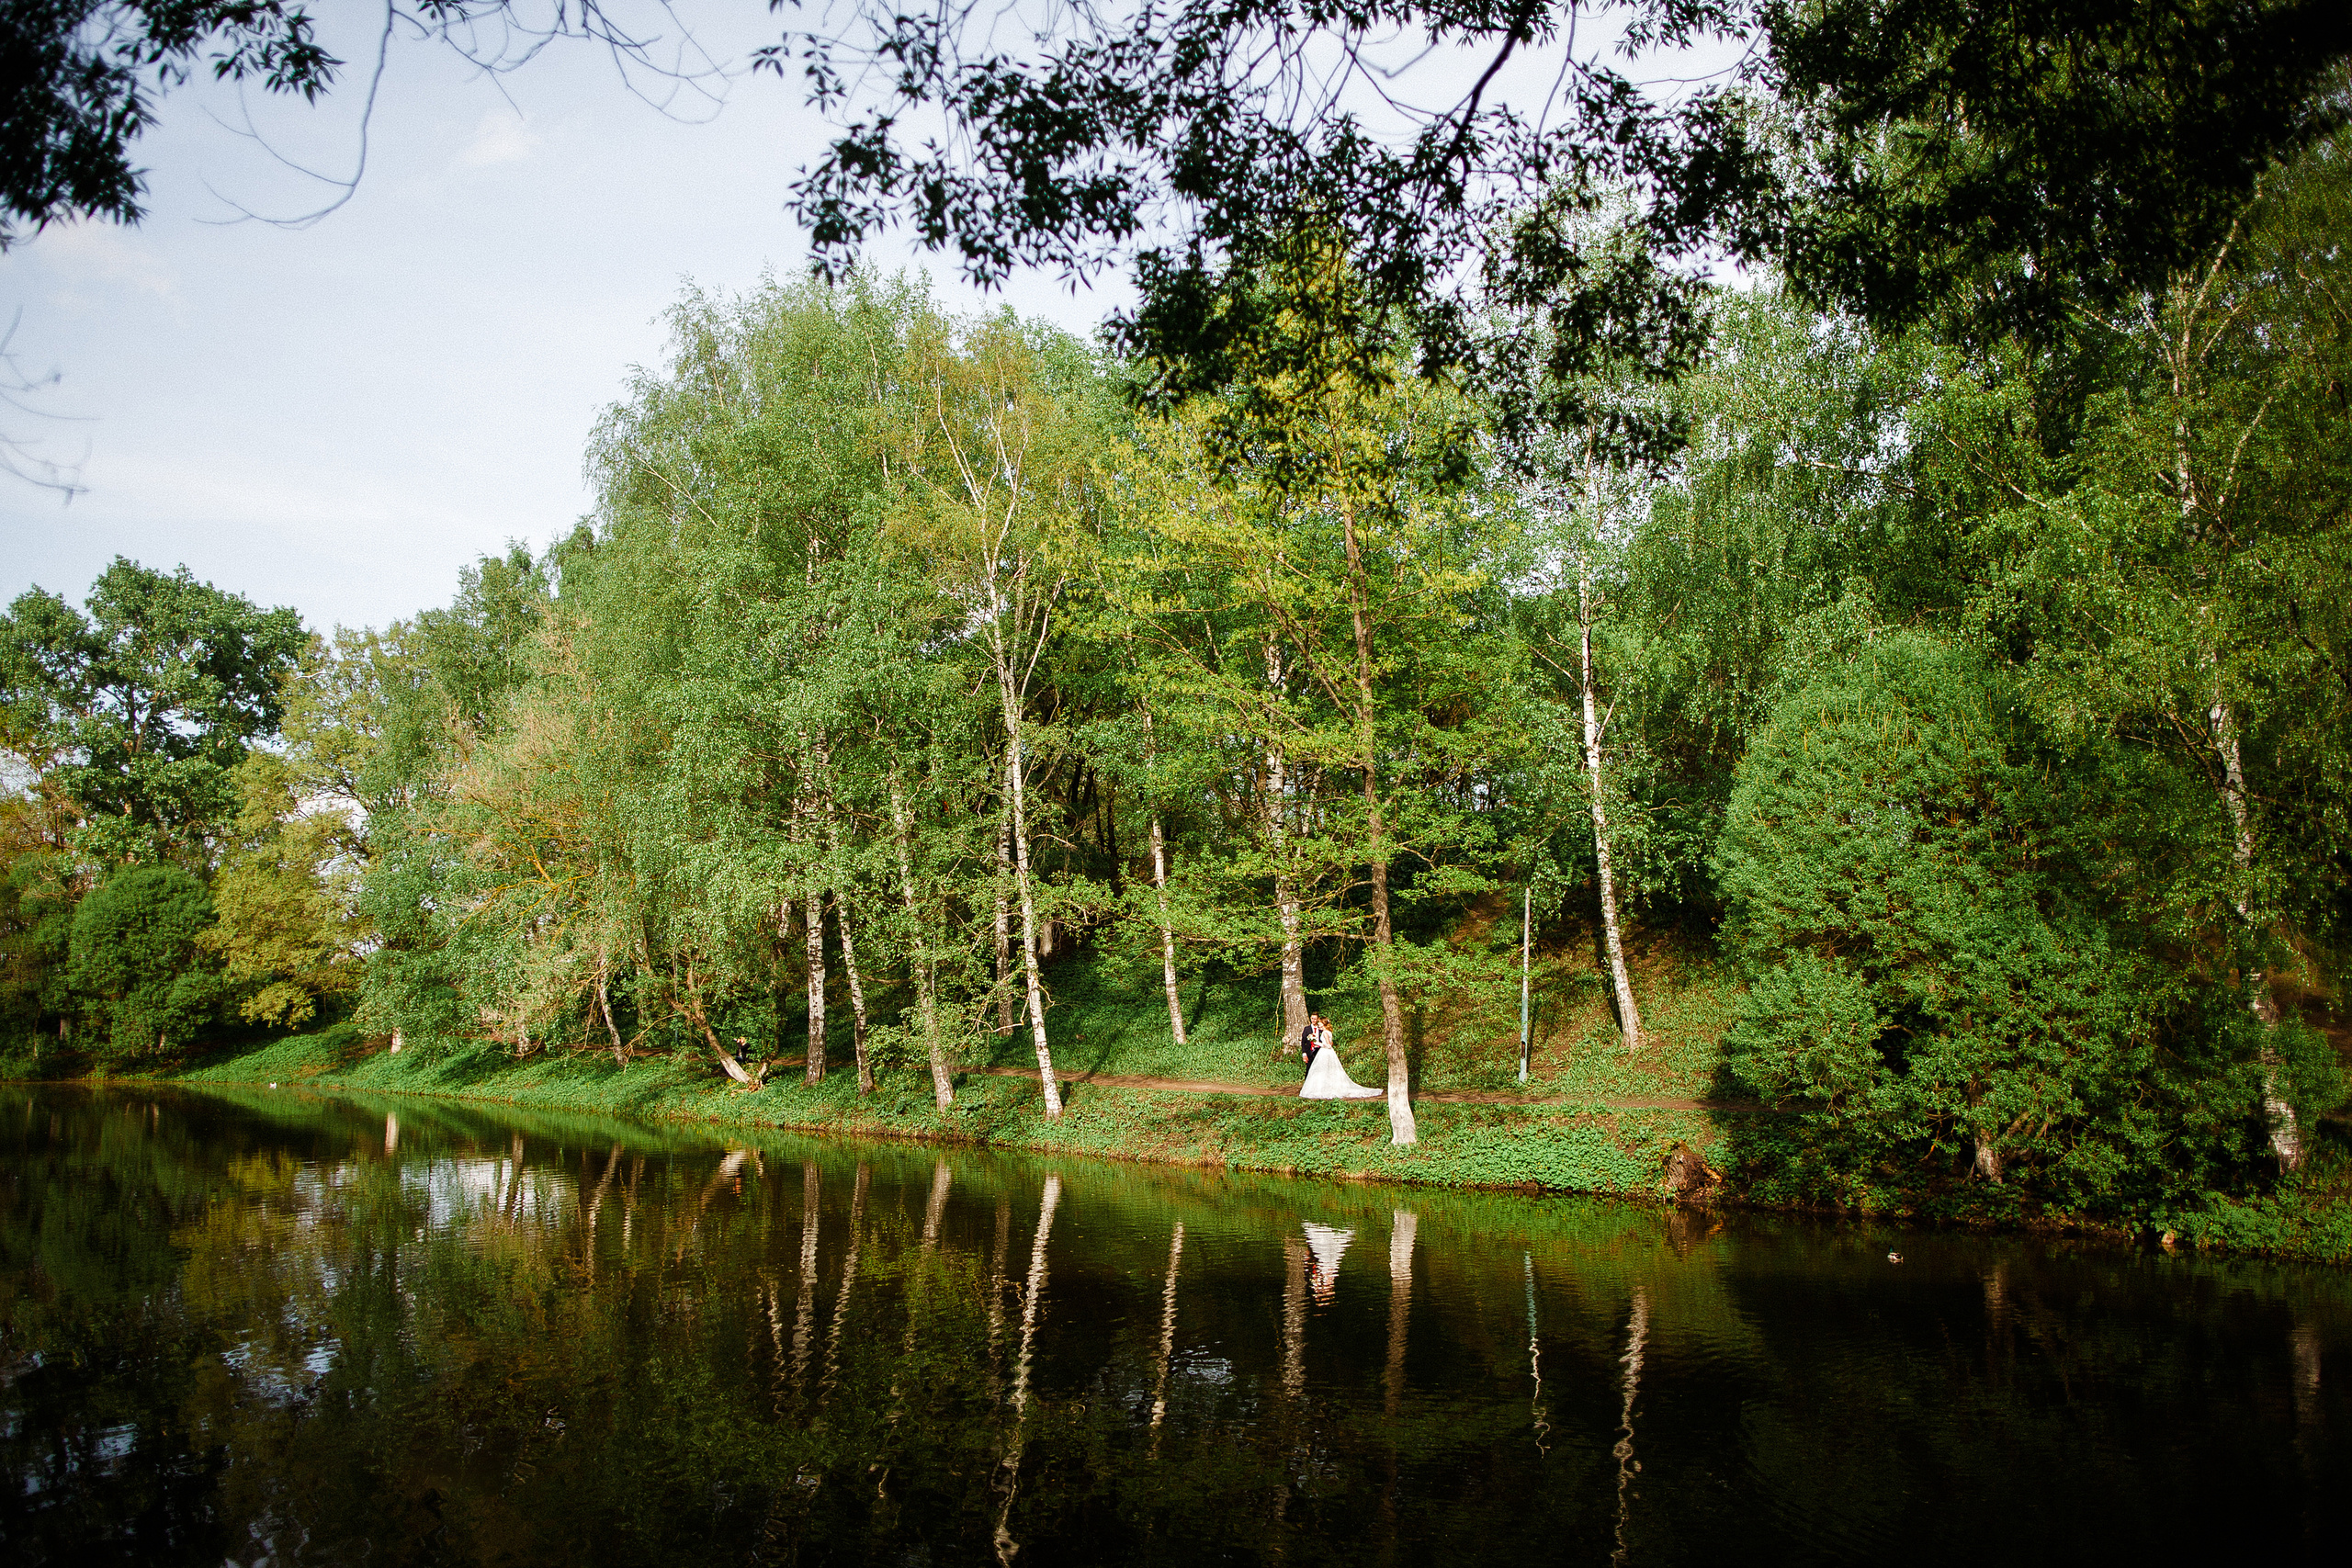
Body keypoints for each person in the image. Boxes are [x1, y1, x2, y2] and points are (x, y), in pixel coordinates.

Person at [1299, 1014, 1384, 1100]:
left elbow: (1329, 1045)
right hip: (1326, 1053)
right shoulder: (1328, 1032)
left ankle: (1324, 1088)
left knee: (1323, 1069)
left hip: (1325, 1052)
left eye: (1320, 1022)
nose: (1319, 1024)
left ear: (1323, 1024)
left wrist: (1318, 1043)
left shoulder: (1324, 1032)